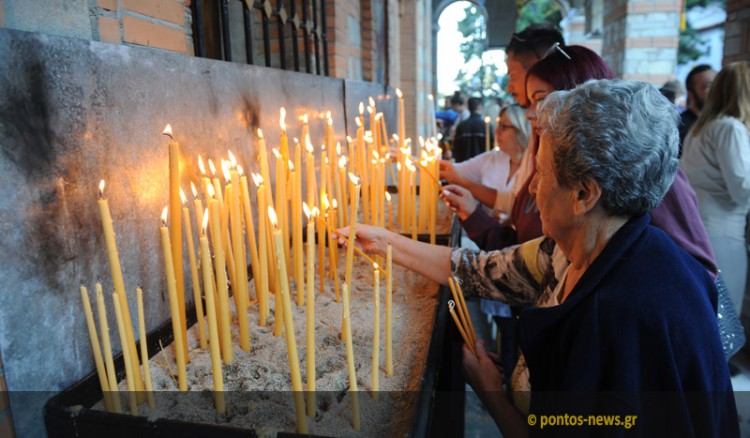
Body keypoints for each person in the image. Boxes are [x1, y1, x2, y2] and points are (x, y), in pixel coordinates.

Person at [338, 79, 737, 436]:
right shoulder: (573, 251)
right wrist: (381, 241)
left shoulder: (617, 316)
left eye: (542, 174)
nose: (529, 191)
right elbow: (475, 271)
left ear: (584, 195)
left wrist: (492, 394)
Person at [445, 45, 614, 250]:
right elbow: (523, 254)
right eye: (531, 102)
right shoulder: (538, 154)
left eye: (541, 100)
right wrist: (472, 214)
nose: (529, 114)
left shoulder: (591, 193)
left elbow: (534, 265)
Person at [681, 61, 750, 318]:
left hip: (702, 230)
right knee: (724, 318)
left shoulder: (702, 127)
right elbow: (742, 188)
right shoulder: (730, 128)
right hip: (723, 235)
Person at [439, 104, 530, 220]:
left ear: (522, 129)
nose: (497, 131)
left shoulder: (535, 167)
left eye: (504, 126)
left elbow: (515, 204)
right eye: (498, 125)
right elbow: (455, 170)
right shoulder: (493, 158)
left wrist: (460, 181)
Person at [679, 64, 717, 152]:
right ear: (691, 94)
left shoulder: (723, 122)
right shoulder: (681, 127)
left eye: (718, 85)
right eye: (708, 86)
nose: (717, 91)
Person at [452, 97, 493, 163]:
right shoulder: (487, 126)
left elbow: (456, 150)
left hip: (464, 166)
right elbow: (492, 148)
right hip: (483, 166)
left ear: (468, 108)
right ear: (480, 107)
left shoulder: (461, 126)